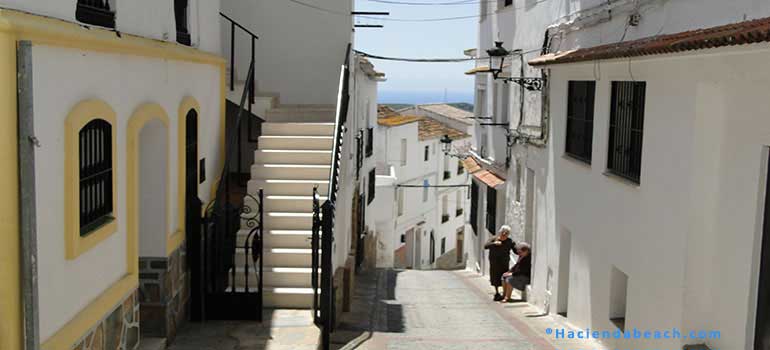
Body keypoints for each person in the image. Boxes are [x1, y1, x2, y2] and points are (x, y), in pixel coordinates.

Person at [484, 225, 515, 301]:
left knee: (504, 276)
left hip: (504, 262)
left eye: (506, 233)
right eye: (503, 232)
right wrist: (494, 244)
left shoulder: (509, 241)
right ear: (500, 232)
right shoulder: (493, 239)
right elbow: (485, 246)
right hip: (494, 262)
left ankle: (504, 293)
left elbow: (515, 249)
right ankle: (497, 293)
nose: (504, 234)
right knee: (495, 277)